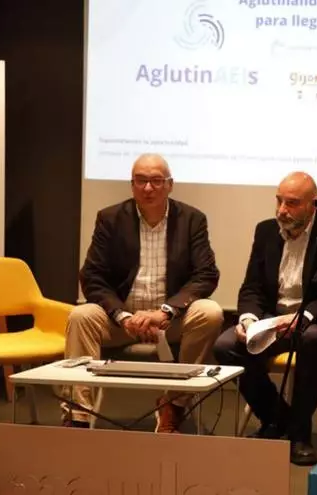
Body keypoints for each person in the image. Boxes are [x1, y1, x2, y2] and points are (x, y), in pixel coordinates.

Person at [61, 153, 223, 432]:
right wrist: (122, 316)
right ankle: (78, 415)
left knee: (210, 313)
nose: (148, 188)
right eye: (141, 180)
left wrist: (165, 312)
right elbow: (92, 276)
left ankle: (174, 404)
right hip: (121, 321)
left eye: (156, 181)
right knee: (80, 316)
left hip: (169, 320)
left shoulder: (192, 219)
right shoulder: (110, 218)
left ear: (170, 185)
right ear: (132, 184)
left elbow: (205, 274)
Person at [213, 171, 317, 466]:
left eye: (292, 203)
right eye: (279, 201)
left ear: (312, 204)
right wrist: (248, 320)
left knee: (312, 339)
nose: (282, 210)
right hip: (273, 320)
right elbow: (252, 287)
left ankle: (299, 436)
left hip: (316, 320)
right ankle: (279, 419)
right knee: (225, 346)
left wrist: (302, 317)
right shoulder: (266, 231)